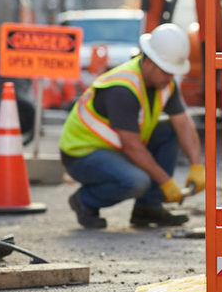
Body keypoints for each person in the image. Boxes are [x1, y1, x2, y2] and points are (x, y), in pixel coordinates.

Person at [60, 23, 205, 229]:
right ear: (149, 62)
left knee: (169, 130)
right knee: (136, 181)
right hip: (82, 154)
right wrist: (165, 182)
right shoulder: (122, 88)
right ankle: (85, 201)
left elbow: (182, 123)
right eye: (166, 71)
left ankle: (148, 208)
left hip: (114, 148)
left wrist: (196, 165)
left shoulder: (165, 83)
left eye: (173, 72)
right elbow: (132, 147)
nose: (170, 78)